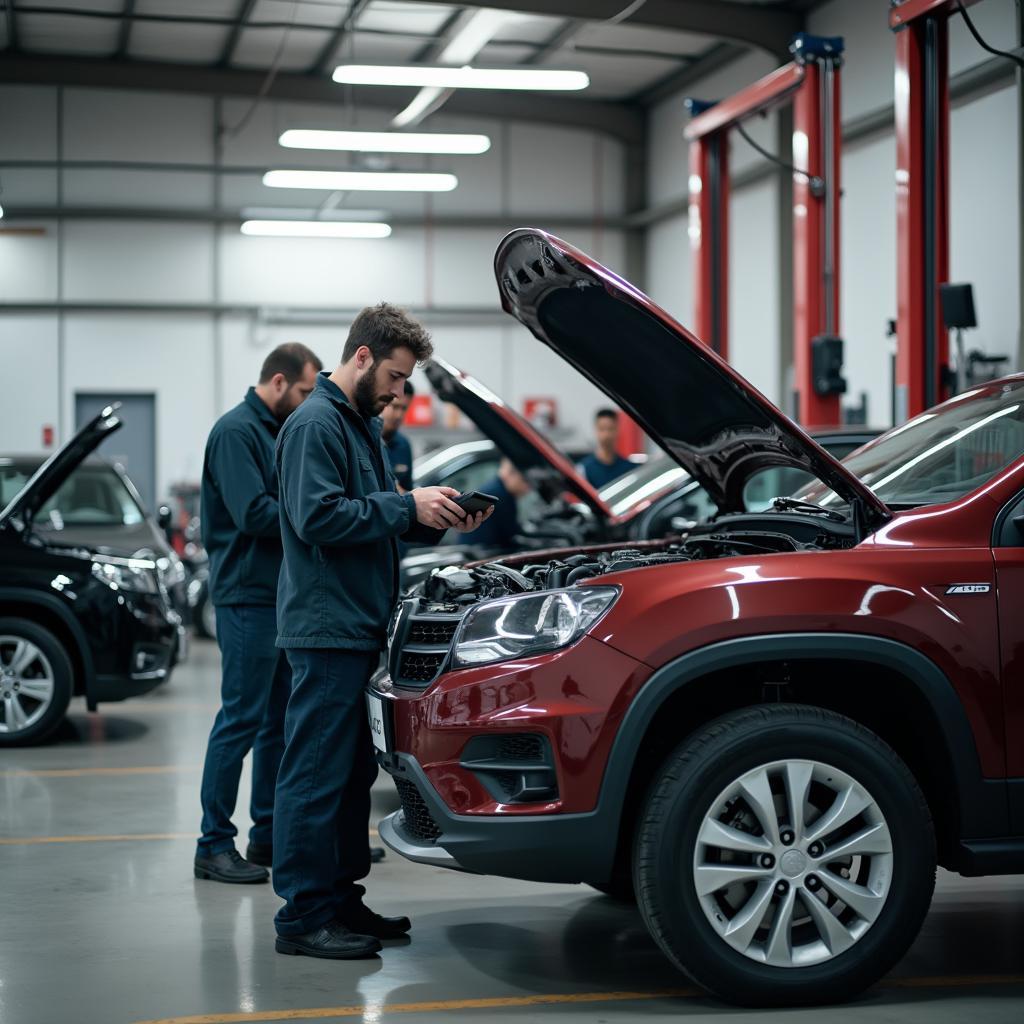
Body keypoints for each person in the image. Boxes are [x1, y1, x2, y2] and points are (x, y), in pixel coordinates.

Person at [272, 303, 492, 960]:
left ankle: (340, 900)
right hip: (326, 628)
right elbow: (317, 518)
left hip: (358, 625)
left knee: (345, 775)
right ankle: (303, 916)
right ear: (363, 357)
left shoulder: (360, 425)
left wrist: (437, 517)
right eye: (397, 377)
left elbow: (373, 516)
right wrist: (404, 504)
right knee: (315, 771)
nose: (401, 393)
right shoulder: (316, 424)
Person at [194, 342, 322, 885]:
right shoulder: (235, 433)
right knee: (240, 719)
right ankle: (212, 844)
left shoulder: (275, 431)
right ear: (276, 382)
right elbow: (252, 514)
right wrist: (319, 511)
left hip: (277, 595)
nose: (307, 401)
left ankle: (266, 833)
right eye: (303, 392)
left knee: (275, 721)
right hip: (246, 595)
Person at [460, 458, 531, 551]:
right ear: (512, 474)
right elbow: (510, 536)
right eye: (525, 480)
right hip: (479, 555)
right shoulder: (498, 495)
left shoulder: (499, 490)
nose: (528, 488)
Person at [578, 408, 634, 489]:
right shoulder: (584, 470)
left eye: (611, 428)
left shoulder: (629, 468)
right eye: (602, 429)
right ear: (596, 430)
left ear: (617, 430)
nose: (606, 434)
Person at [381, 379, 414, 492]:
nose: (399, 415)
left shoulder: (404, 445)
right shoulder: (364, 440)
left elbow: (407, 489)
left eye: (404, 408)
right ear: (383, 402)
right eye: (395, 406)